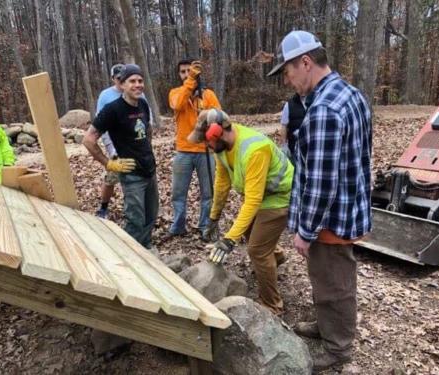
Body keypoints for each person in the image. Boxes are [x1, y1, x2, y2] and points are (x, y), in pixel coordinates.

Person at [268, 30, 372, 371]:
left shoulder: (324, 109)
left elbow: (322, 182)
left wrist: (306, 230)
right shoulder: (350, 94)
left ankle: (338, 348)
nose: (288, 79)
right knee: (332, 279)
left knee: (333, 283)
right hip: (346, 207)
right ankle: (329, 326)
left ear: (306, 62)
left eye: (288, 71)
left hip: (330, 217)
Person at [189, 108, 293, 316]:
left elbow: (253, 201)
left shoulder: (255, 149)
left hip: (279, 197)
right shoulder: (222, 148)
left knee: (256, 250)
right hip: (260, 196)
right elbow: (222, 182)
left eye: (206, 141)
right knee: (248, 232)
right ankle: (277, 257)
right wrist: (214, 217)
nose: (206, 146)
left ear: (216, 133)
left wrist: (229, 240)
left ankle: (273, 305)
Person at [83, 64, 159, 251]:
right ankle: (130, 255)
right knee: (135, 219)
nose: (138, 85)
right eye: (132, 81)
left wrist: (147, 151)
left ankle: (146, 248)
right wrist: (108, 163)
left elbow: (147, 129)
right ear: (122, 84)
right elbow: (88, 139)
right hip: (130, 173)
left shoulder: (142, 104)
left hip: (149, 169)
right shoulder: (113, 109)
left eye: (140, 81)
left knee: (151, 214)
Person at [168, 58, 221, 238]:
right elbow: (177, 105)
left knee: (208, 193)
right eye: (182, 72)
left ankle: (205, 226)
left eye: (189, 71)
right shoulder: (175, 93)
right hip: (183, 150)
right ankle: (178, 226)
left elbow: (218, 119)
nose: (186, 75)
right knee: (178, 193)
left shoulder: (208, 95)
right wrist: (190, 81)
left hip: (205, 151)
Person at [94, 63, 125, 218]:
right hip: (113, 141)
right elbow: (100, 122)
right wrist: (110, 147)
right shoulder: (106, 96)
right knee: (112, 176)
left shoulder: (135, 91)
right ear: (113, 78)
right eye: (118, 78)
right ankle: (103, 208)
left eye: (123, 77)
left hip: (133, 142)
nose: (121, 80)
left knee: (134, 177)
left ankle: (132, 207)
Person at [279, 92, 308, 163]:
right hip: (294, 148)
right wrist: (284, 145)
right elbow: (284, 126)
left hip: (312, 148)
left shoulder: (317, 101)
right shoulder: (289, 105)